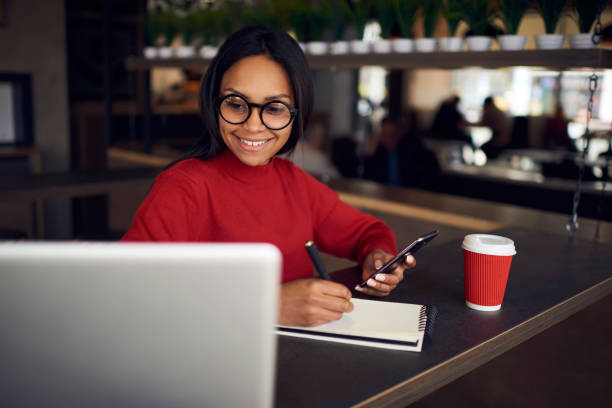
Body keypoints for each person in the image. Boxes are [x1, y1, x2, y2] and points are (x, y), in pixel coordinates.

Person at [122, 27, 415, 328]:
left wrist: (378, 258)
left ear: (297, 113)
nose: (252, 126)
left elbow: (369, 232)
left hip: (302, 362)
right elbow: (127, 291)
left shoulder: (296, 184)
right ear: (214, 101)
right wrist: (265, 305)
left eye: (274, 108)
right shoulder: (183, 187)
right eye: (236, 104)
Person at [364, 115, 441, 189]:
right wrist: (371, 151)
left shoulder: (415, 152)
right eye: (385, 134)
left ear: (401, 133)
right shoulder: (379, 152)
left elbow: (426, 183)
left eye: (392, 134)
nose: (388, 139)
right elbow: (366, 180)